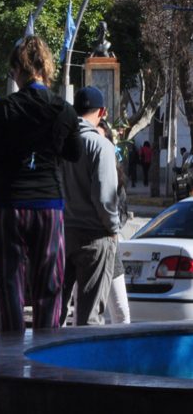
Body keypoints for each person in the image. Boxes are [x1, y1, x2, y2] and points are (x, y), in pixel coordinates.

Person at [0, 35, 81, 332]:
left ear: (18, 69)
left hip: (8, 207)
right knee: (50, 285)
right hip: (49, 206)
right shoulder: (63, 110)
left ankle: (11, 358)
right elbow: (75, 152)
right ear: (45, 69)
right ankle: (46, 355)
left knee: (8, 284)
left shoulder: (5, 109)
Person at [61, 86, 120, 326]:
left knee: (55, 314)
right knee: (89, 318)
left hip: (63, 235)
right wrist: (113, 229)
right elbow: (105, 198)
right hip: (95, 238)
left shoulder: (60, 144)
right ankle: (81, 364)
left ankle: (47, 362)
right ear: (102, 112)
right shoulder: (101, 146)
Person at [97, 119, 131, 324]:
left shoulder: (117, 175)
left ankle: (123, 355)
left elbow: (123, 211)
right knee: (86, 316)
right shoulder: (81, 170)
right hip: (86, 248)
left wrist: (112, 227)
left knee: (121, 313)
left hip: (111, 250)